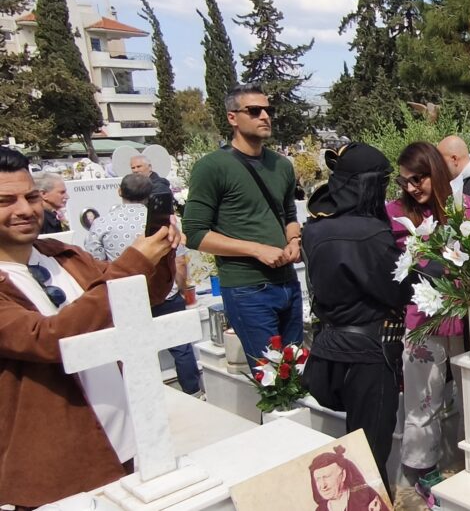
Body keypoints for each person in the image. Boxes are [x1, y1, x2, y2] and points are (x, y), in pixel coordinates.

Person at [0, 146, 178, 507]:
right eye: (6, 200)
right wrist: (133, 262)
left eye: (31, 196)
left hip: (127, 443)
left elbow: (142, 295)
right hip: (61, 467)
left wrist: (160, 251)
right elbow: (48, 339)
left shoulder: (62, 255)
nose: (24, 210)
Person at [303, 144, 411, 490]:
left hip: (330, 349)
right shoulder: (370, 234)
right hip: (369, 355)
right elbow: (399, 289)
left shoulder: (315, 228)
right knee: (368, 458)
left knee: (354, 449)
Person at [183, 84, 304, 367]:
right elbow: (195, 233)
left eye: (268, 110)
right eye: (254, 110)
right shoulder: (212, 167)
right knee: (272, 379)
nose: (265, 116)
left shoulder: (282, 165)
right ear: (232, 118)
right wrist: (256, 250)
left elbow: (288, 214)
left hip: (287, 281)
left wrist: (294, 241)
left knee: (297, 369)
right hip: (247, 287)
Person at [388, 142, 470, 487]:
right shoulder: (396, 214)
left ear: (437, 172)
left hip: (465, 319)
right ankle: (419, 474)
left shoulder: (465, 207)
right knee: (421, 401)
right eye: (406, 181)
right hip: (424, 321)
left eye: (419, 178)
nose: (413, 188)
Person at [85, 173, 202, 397]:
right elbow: (179, 258)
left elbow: (95, 263)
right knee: (181, 348)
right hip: (165, 292)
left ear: (120, 191)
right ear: (149, 194)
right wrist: (182, 286)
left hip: (126, 296)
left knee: (134, 352)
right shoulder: (163, 222)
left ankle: (143, 395)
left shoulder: (102, 224)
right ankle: (194, 391)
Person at [308, 444, 387, 511]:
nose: (323, 486)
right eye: (318, 479)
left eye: (327, 476)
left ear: (343, 475)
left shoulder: (366, 496)